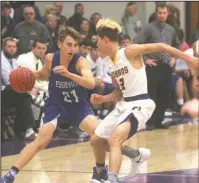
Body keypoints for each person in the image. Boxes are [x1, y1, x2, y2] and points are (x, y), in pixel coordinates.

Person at [2, 27, 150, 183]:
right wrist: (27, 76)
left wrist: (69, 74)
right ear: (60, 44)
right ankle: (11, 174)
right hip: (56, 106)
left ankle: (134, 155)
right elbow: (43, 75)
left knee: (101, 139)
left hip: (77, 107)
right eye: (69, 44)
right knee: (41, 141)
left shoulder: (80, 61)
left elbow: (90, 82)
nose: (73, 48)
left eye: (75, 45)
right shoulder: (50, 59)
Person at [89, 18, 198, 183]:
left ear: (105, 40)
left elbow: (161, 46)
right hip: (123, 105)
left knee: (115, 139)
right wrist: (103, 98)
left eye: (98, 43)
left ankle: (111, 179)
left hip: (140, 104)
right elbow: (119, 92)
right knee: (97, 140)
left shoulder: (129, 51)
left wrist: (188, 58)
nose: (96, 48)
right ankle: (135, 156)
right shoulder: (109, 64)